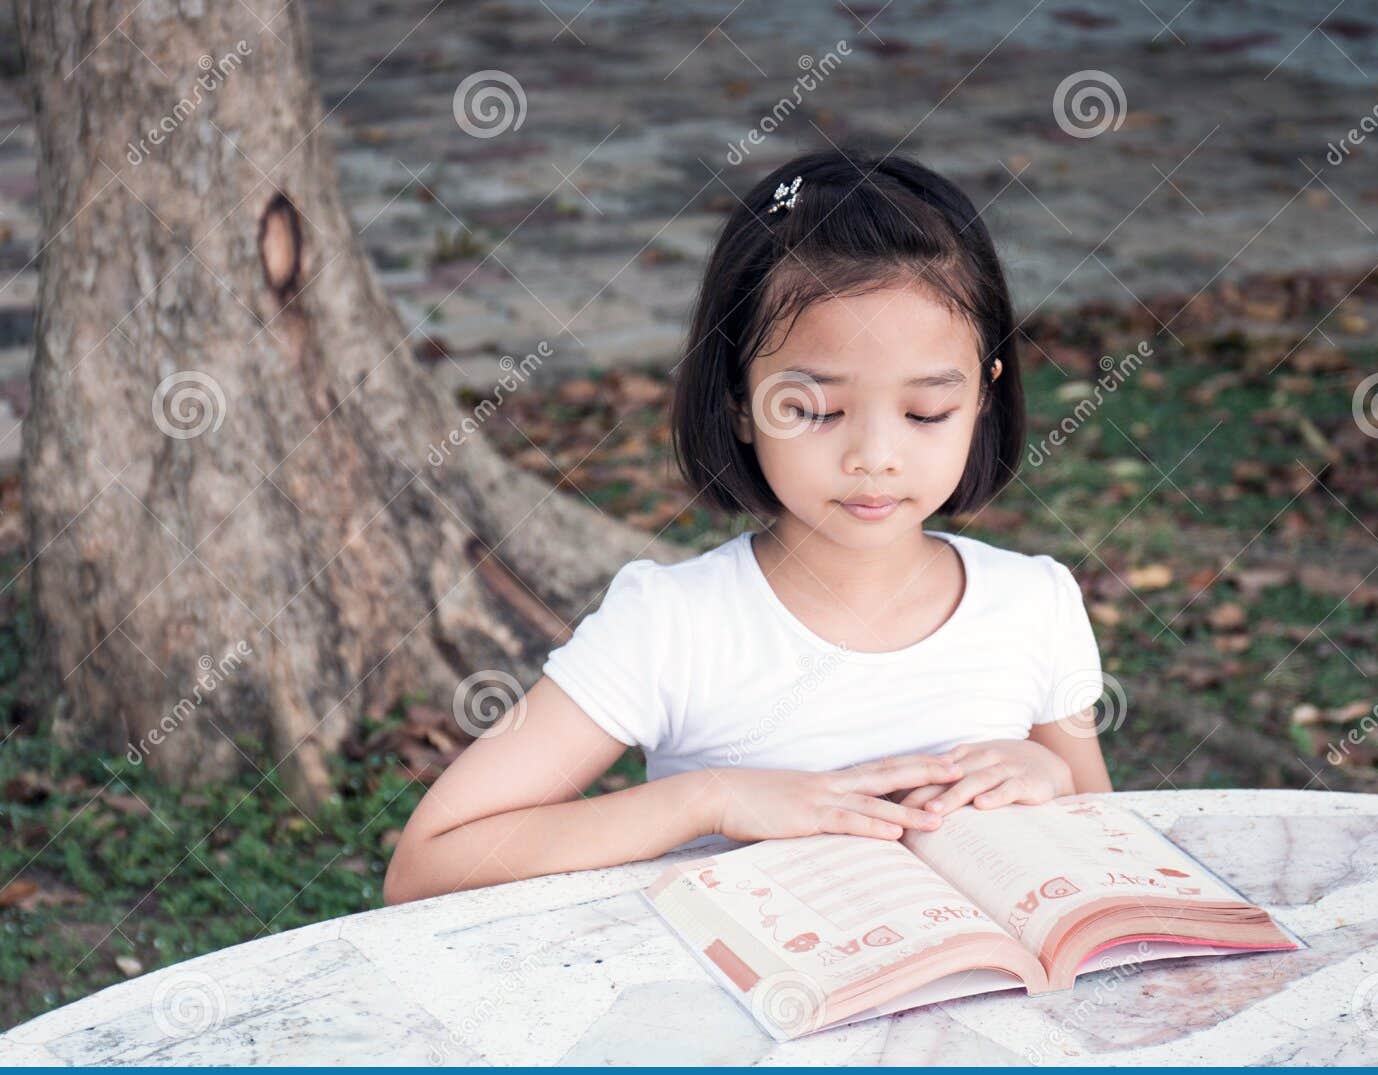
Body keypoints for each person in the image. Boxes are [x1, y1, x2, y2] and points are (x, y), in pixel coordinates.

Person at [384, 147, 1111, 906]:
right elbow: (429, 864)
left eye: (926, 411)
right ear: (740, 398)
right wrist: (711, 799)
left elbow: (1108, 851)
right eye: (814, 411)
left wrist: (1052, 774)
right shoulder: (672, 625)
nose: (873, 457)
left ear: (985, 396)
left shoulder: (1034, 604)